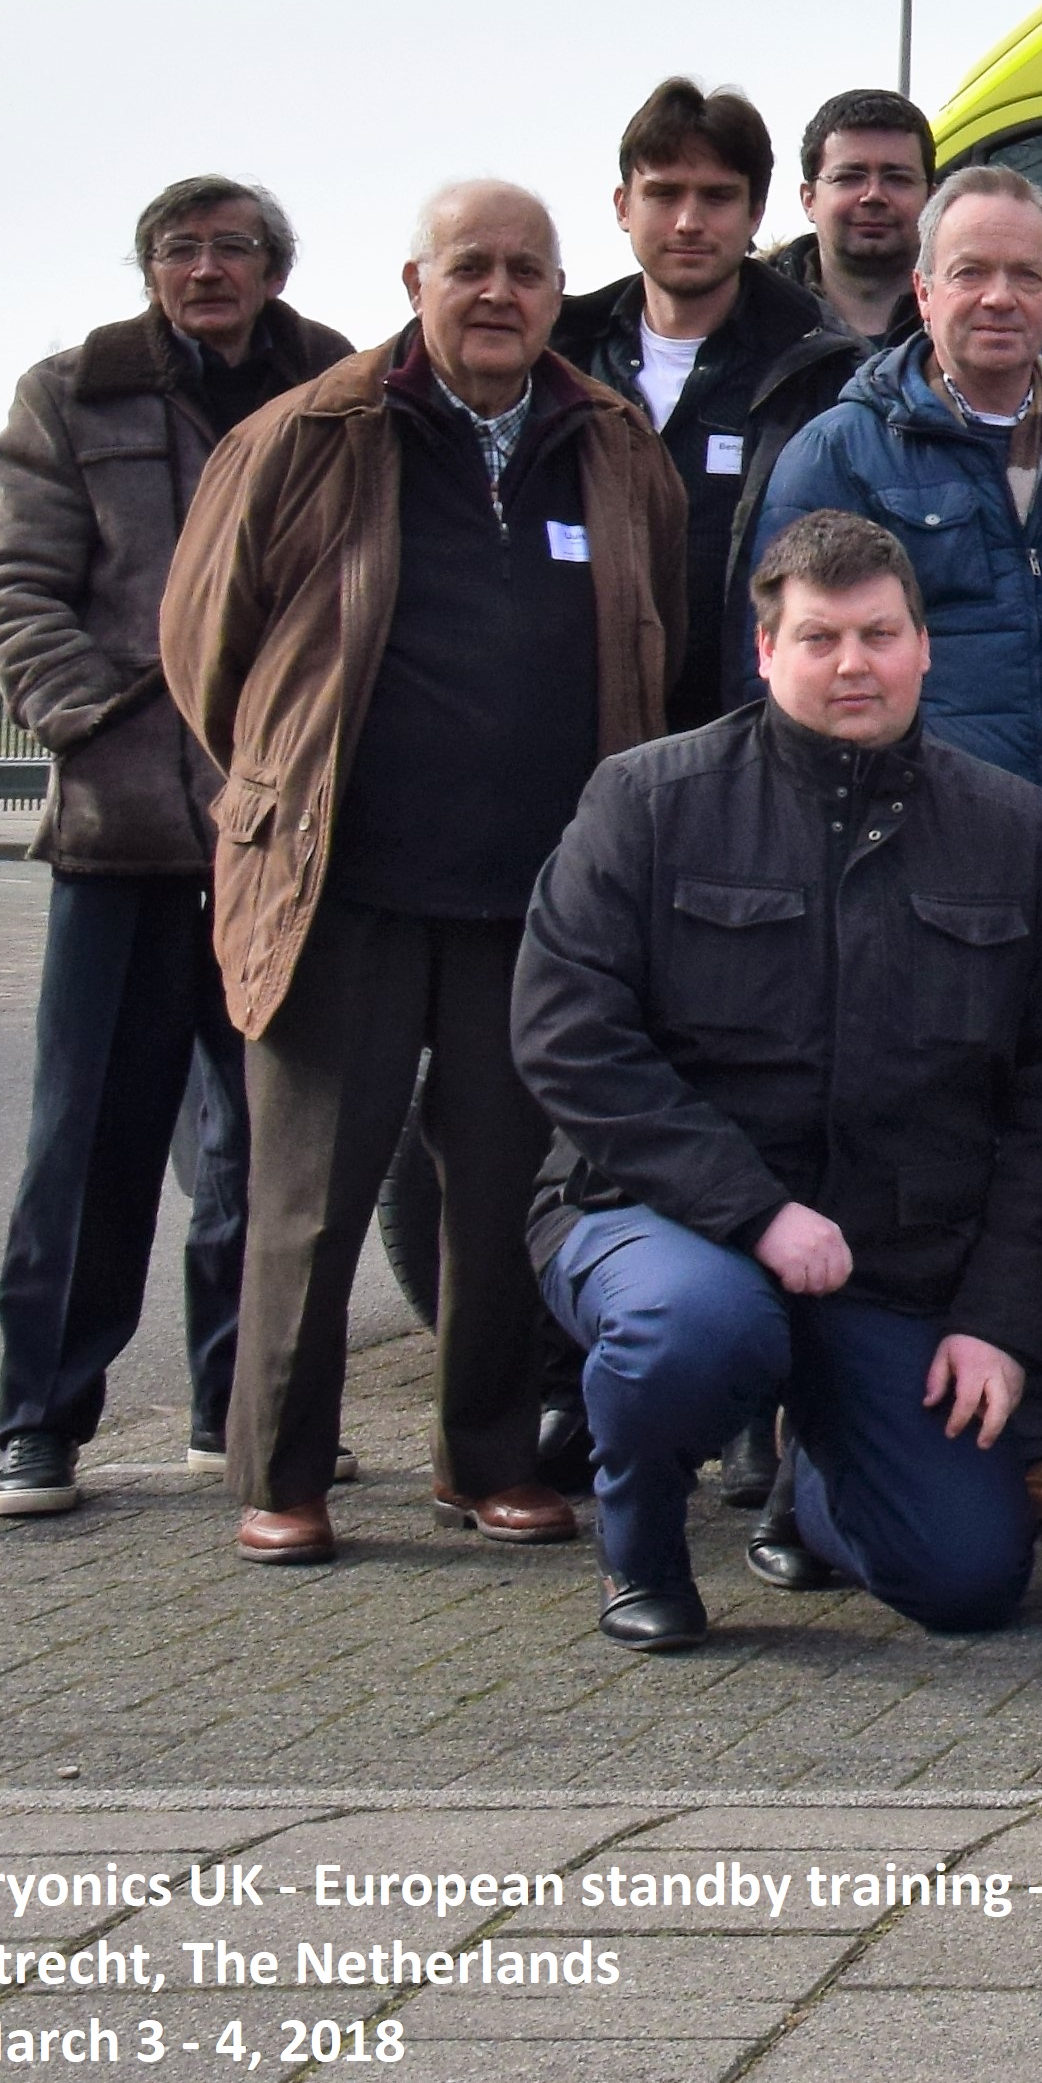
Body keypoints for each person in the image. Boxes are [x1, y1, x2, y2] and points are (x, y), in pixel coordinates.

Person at [162, 180, 688, 1565]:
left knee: (502, 1191)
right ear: (414, 280)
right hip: (350, 886)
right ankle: (282, 1473)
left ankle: (487, 1457)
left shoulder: (612, 441)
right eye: (472, 267)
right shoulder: (308, 435)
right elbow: (205, 650)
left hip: (539, 898)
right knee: (312, 1193)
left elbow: (656, 629)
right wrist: (289, 781)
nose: (500, 292)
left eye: (528, 269)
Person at [512, 511, 1042, 1650]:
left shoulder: (1014, 830)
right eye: (820, 637)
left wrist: (996, 1321)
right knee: (697, 1326)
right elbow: (567, 1034)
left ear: (925, 645)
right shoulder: (646, 800)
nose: (853, 664)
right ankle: (643, 1549)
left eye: (879, 634)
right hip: (661, 1221)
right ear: (765, 649)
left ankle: (818, 1492)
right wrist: (755, 1209)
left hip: (889, 1263)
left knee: (969, 1579)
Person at [0, 177, 351, 1517]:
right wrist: (90, 714)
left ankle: (231, 1410)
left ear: (273, 266)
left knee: (267, 1144)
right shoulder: (74, 392)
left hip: (280, 829)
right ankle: (42, 1422)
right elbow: (14, 584)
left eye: (229, 247)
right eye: (178, 248)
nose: (204, 268)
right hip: (122, 829)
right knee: (88, 1143)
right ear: (148, 268)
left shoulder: (338, 384)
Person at [753, 164, 1042, 929]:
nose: (1000, 296)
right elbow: (782, 686)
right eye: (970, 272)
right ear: (924, 292)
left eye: (1026, 275)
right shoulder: (838, 454)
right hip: (908, 879)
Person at [554, 78, 862, 728]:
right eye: (664, 193)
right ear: (622, 205)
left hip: (749, 739)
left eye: (718, 196)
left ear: (755, 214)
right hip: (576, 736)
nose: (689, 221)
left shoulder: (823, 367)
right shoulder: (559, 357)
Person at [770, 89, 935, 343]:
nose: (874, 195)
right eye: (849, 177)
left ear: (932, 200)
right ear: (809, 199)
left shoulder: (975, 322)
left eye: (898, 178)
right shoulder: (750, 322)